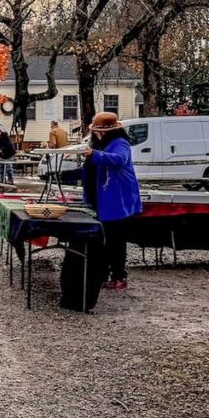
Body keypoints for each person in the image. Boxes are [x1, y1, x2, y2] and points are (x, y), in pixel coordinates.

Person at [80, 112, 142, 290]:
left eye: (98, 130)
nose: (96, 133)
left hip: (118, 199)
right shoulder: (99, 145)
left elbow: (119, 159)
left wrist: (94, 154)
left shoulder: (120, 143)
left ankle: (119, 275)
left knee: (116, 239)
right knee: (106, 238)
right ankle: (104, 273)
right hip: (104, 199)